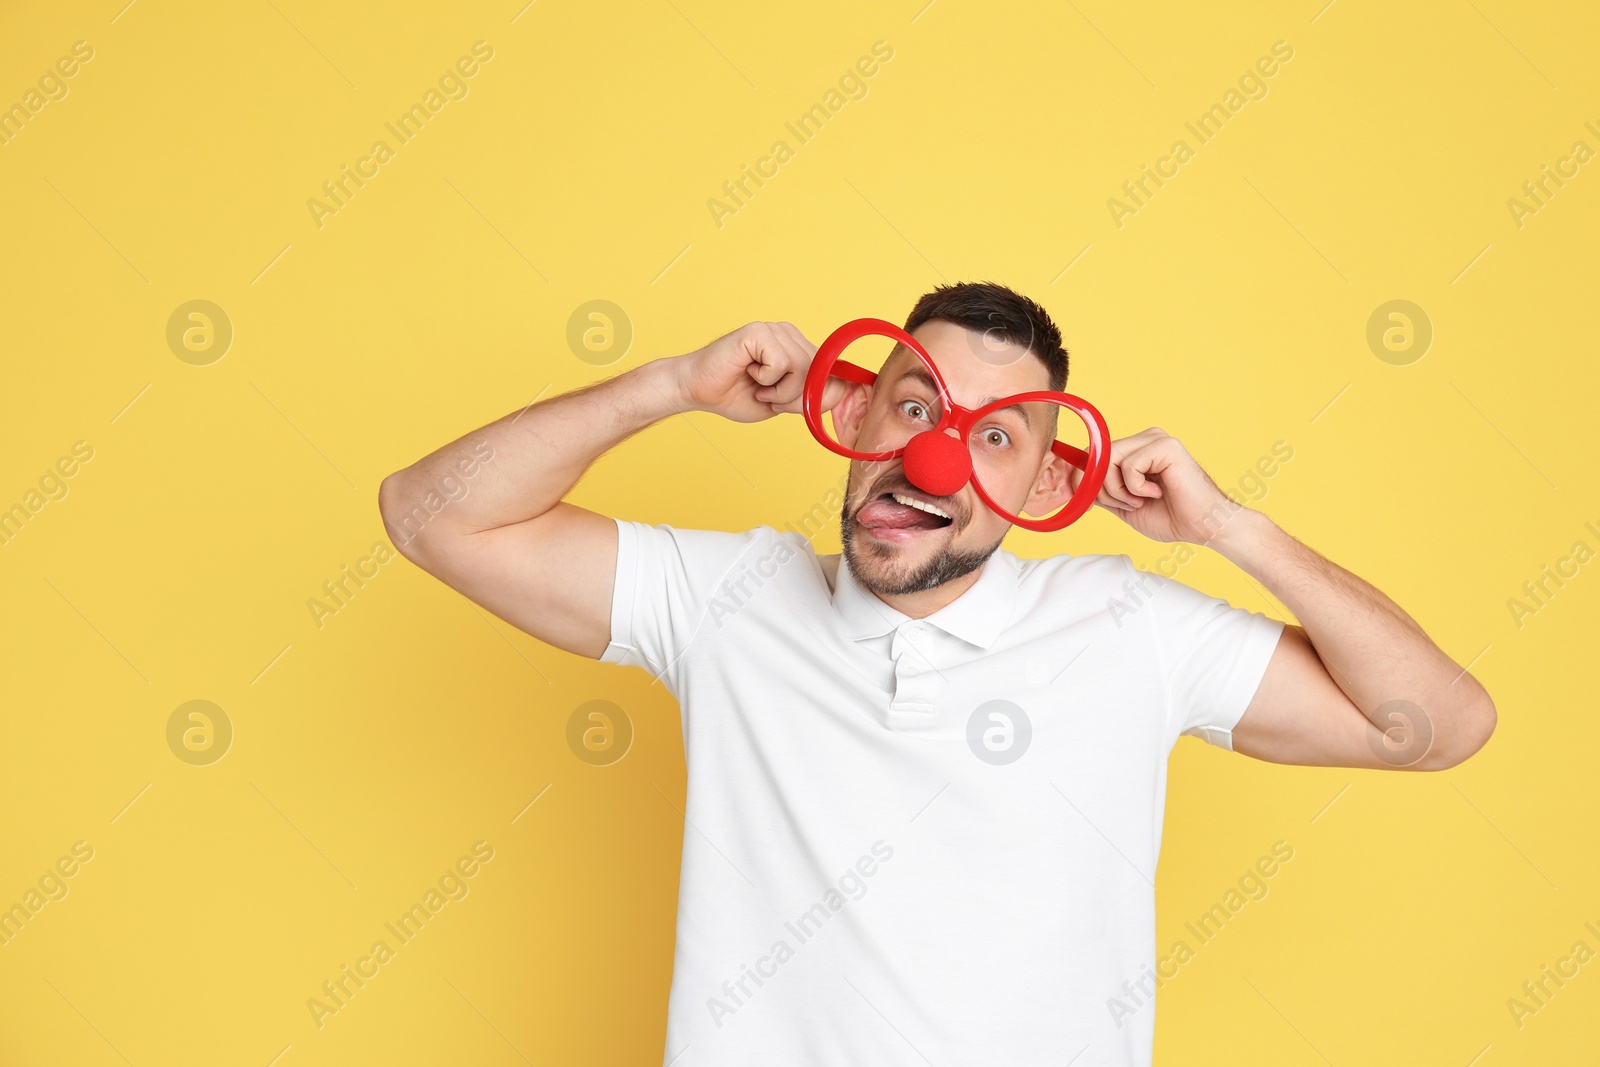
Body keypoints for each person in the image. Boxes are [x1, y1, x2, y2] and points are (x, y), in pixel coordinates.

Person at [378, 281, 1495, 1066]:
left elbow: (1438, 722)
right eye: (915, 406)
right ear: (852, 414)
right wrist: (668, 384)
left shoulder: (1129, 626)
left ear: (1042, 483)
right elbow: (430, 515)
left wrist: (1233, 530)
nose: (935, 455)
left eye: (994, 437)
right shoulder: (728, 602)